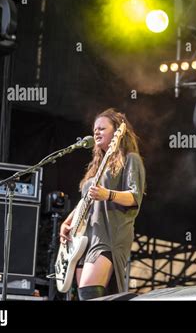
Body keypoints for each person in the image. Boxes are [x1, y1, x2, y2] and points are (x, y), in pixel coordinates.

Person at [59, 108, 145, 300]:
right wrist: (67, 222)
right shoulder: (97, 167)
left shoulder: (131, 159)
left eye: (101, 128)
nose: (96, 132)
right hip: (85, 238)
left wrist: (108, 194)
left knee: (89, 292)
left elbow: (134, 197)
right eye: (94, 129)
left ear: (117, 132)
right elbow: (86, 201)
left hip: (109, 235)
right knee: (88, 295)